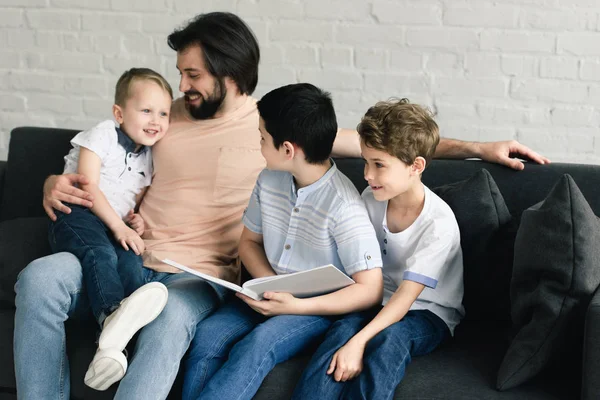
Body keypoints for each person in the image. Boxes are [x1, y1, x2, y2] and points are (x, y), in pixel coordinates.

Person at [14, 11, 549, 400]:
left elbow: (386, 146)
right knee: (39, 277)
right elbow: (100, 154)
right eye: (179, 73)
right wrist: (55, 182)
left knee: (171, 318)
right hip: (124, 252)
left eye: (193, 75)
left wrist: (478, 148)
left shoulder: (276, 131)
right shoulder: (159, 114)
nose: (182, 85)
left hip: (193, 277)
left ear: (228, 74)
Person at [182, 83, 384, 400]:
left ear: (288, 149)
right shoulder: (268, 179)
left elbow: (371, 289)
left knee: (259, 344)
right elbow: (248, 242)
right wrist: (270, 285)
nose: (259, 145)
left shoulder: (344, 207)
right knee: (207, 336)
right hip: (270, 290)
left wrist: (295, 305)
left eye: (262, 138)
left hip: (317, 309)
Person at [292, 98, 465, 400]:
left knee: (389, 341)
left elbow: (404, 300)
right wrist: (351, 338)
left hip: (426, 312)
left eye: (379, 165)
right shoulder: (371, 200)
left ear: (416, 166)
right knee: (339, 334)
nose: (367, 175)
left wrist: (359, 343)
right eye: (365, 162)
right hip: (377, 301)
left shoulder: (439, 224)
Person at [47, 68, 173, 391]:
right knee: (99, 253)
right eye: (146, 110)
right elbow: (87, 189)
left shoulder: (149, 159)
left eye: (163, 113)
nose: (155, 119)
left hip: (111, 224)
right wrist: (118, 226)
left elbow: (133, 204)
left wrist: (135, 222)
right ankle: (110, 318)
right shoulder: (103, 133)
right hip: (78, 214)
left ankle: (111, 353)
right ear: (119, 113)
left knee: (132, 263)